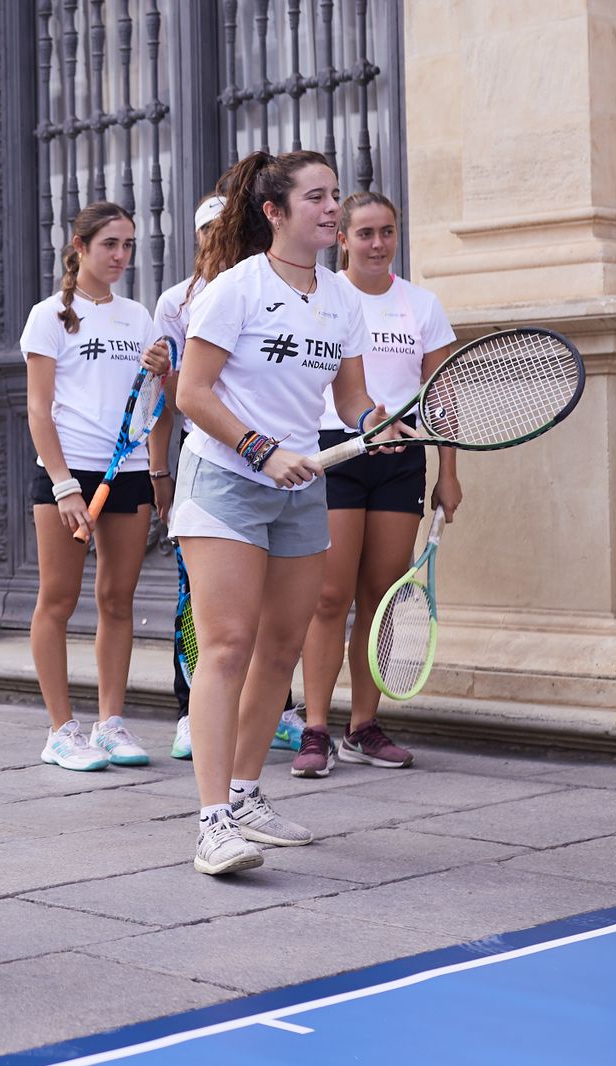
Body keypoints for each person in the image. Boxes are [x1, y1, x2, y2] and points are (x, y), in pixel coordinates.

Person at [172, 150, 411, 875]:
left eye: (335, 195)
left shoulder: (340, 298)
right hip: (225, 480)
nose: (332, 208)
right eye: (316, 197)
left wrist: (378, 422)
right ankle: (212, 822)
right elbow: (191, 392)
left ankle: (246, 795)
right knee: (227, 647)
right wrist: (260, 448)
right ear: (275, 212)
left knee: (282, 649)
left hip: (303, 485)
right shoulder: (235, 289)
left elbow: (349, 399)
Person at [292, 191, 459, 777]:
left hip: (402, 459)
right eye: (365, 233)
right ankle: (315, 728)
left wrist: (449, 474)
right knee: (328, 597)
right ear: (342, 239)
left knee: (381, 598)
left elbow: (442, 399)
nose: (378, 243)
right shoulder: (323, 299)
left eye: (387, 231)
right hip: (335, 452)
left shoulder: (422, 305)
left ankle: (363, 727)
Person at [22, 201, 173, 772]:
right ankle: (61, 730)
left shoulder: (138, 318)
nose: (121, 255)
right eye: (110, 243)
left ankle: (110, 723)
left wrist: (161, 370)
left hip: (126, 471)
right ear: (80, 246)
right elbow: (38, 410)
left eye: (128, 244)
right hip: (67, 472)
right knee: (58, 600)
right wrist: (63, 486)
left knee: (117, 599)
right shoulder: (49, 316)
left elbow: (156, 404)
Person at [153, 193, 225, 761]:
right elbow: (170, 398)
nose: (216, 237)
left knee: (269, 595)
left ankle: (275, 709)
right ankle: (188, 712)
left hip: (271, 455)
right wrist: (159, 471)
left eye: (226, 226)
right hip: (202, 453)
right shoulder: (175, 302)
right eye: (208, 229)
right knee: (194, 591)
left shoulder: (269, 288)